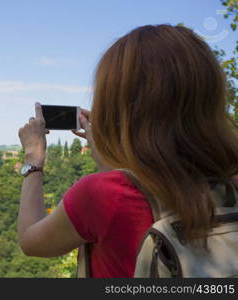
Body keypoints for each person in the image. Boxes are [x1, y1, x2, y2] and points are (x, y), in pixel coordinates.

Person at [17, 24, 238, 278]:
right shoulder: (231, 184)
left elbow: (29, 240)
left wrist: (33, 159)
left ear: (116, 106)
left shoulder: (101, 195)